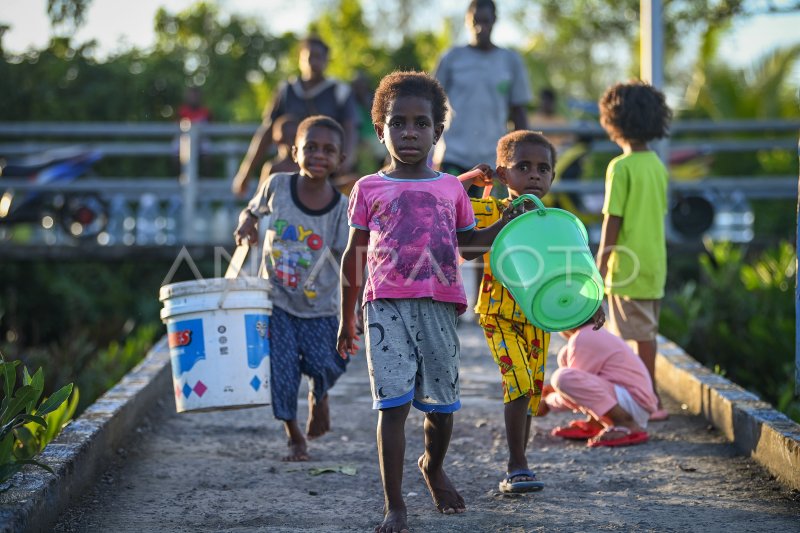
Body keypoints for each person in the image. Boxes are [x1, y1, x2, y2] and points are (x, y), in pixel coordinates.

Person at [336, 70, 529, 533]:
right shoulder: (368, 188)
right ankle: (394, 505)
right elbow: (353, 254)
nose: (408, 132)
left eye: (421, 123)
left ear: (438, 132)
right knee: (392, 406)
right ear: (380, 129)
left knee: (442, 409)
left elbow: (469, 245)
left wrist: (505, 219)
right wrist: (347, 317)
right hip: (384, 305)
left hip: (440, 305)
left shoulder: (450, 189)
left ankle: (433, 465)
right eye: (397, 122)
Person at [462, 130, 604, 493]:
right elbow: (449, 212)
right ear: (503, 174)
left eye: (543, 168)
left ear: (553, 177)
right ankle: (516, 464)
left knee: (532, 392)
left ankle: (519, 462)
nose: (535, 175)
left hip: (538, 318)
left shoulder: (554, 221)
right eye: (523, 166)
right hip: (498, 314)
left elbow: (571, 271)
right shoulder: (490, 208)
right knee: (519, 384)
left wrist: (590, 304)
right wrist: (472, 181)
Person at [234, 115, 350, 462]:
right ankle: (294, 435)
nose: (319, 155)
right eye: (311, 147)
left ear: (340, 160)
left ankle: (321, 394)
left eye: (328, 150)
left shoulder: (341, 208)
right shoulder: (277, 185)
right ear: (294, 151)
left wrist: (353, 308)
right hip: (277, 301)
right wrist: (247, 223)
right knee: (282, 371)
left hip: (320, 306)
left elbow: (347, 259)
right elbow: (252, 210)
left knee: (327, 363)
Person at [595, 80, 672, 421]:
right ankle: (649, 395)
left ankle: (647, 400)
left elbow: (614, 220)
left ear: (614, 121)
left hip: (627, 267)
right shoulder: (656, 165)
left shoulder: (620, 167)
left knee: (627, 341)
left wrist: (600, 265)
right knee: (646, 335)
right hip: (654, 263)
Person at [231, 36, 359, 197]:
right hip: (293, 163)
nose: (314, 61)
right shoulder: (287, 90)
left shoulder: (339, 91)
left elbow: (351, 129)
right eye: (309, 56)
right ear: (300, 59)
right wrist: (245, 172)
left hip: (326, 166)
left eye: (319, 56)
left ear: (327, 60)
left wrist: (345, 163)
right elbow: (267, 129)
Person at [433, 0, 532, 198]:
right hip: (454, 156)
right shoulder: (452, 58)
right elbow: (430, 105)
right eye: (475, 21)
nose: (480, 27)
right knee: (449, 218)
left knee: (490, 219)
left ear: (494, 21)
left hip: (493, 163)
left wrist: (523, 157)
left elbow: (518, 111)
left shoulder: (510, 60)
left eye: (486, 21)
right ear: (467, 21)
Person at [537, 318, 658, 447]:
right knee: (565, 357)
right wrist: (555, 393)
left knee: (562, 378)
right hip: (630, 400)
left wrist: (548, 402)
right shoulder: (593, 333)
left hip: (632, 403)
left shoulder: (583, 337)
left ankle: (625, 423)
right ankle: (596, 422)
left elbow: (576, 390)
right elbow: (584, 384)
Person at [257, 114, 300, 188]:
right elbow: (262, 195)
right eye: (287, 138)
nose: (292, 143)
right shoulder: (273, 168)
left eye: (294, 138)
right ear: (278, 140)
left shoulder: (303, 167)